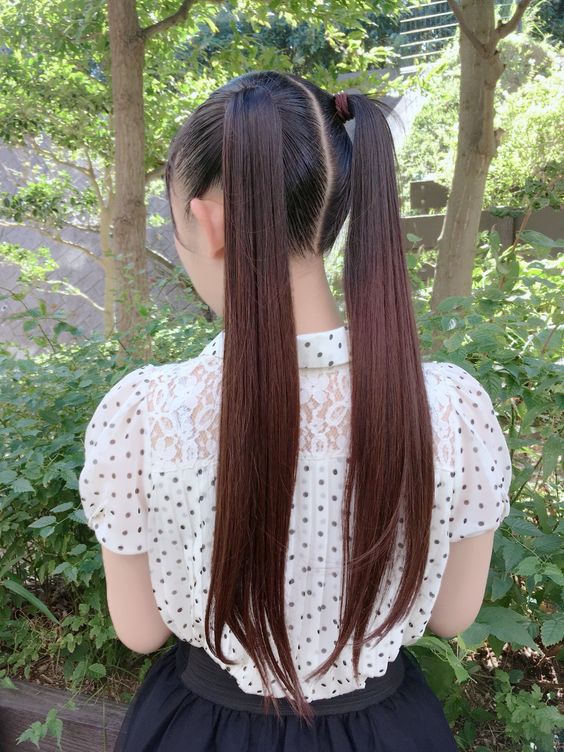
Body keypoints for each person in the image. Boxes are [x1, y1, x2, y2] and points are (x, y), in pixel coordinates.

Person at [78, 70, 512, 751]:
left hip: (201, 730)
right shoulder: (450, 407)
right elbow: (454, 615)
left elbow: (139, 631)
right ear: (332, 210)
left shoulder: (145, 412)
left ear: (208, 218)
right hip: (390, 730)